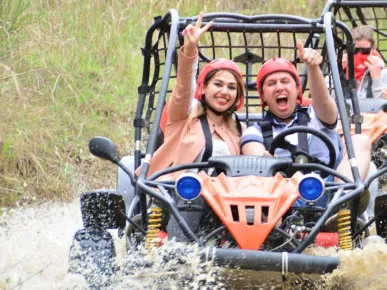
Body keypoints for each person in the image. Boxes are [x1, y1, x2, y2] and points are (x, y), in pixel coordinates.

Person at [240, 39, 371, 208]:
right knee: (262, 170)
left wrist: (312, 67)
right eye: (272, 83)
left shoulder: (316, 115)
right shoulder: (255, 131)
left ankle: (343, 204)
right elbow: (256, 158)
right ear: (263, 96)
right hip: (286, 198)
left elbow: (324, 105)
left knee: (360, 140)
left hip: (331, 190)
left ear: (297, 90)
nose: (279, 87)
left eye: (285, 81)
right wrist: (274, 167)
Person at [142, 12, 245, 178]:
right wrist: (190, 49)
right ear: (203, 88)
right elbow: (184, 89)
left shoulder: (239, 129)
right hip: (177, 195)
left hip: (222, 199)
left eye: (232, 88)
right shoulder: (185, 115)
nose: (224, 92)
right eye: (218, 84)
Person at [342, 25, 387, 99]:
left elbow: (382, 106)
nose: (359, 55)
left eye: (365, 51)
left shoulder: (384, 73)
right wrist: (337, 71)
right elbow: (326, 101)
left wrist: (376, 79)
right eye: (355, 50)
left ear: (373, 49)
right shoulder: (343, 67)